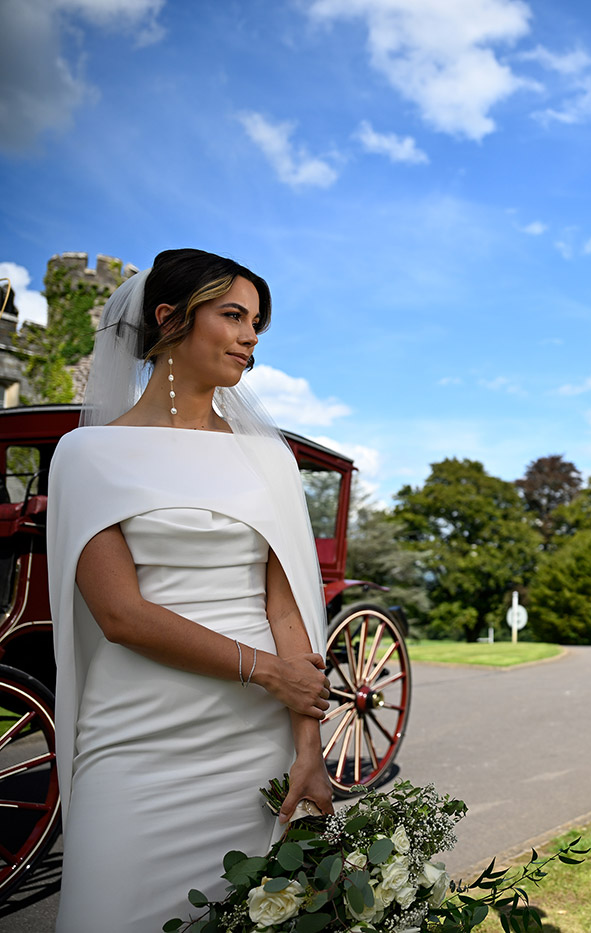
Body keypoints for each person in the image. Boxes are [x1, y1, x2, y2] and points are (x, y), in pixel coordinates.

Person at [47, 249, 334, 933]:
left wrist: (309, 746)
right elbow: (119, 614)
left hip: (254, 745)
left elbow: (285, 603)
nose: (250, 336)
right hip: (137, 739)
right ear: (170, 318)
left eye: (257, 321)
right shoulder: (86, 455)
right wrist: (269, 673)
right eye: (232, 315)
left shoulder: (267, 457)